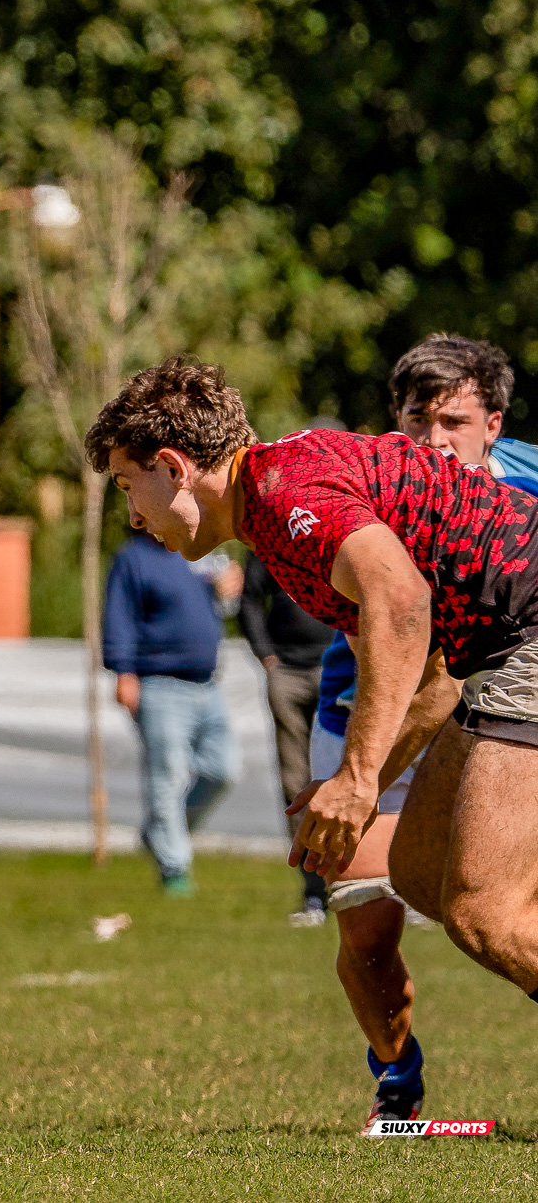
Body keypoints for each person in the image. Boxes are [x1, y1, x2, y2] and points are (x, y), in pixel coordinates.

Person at [87, 353, 538, 1128]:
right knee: (421, 872)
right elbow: (432, 670)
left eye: (130, 488)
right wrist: (354, 791)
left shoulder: (283, 495)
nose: (135, 517)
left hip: (526, 631)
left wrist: (359, 779)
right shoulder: (278, 499)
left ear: (173, 467)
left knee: (483, 913)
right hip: (495, 648)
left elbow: (402, 603)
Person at [304, 335, 538, 1129]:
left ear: (493, 424)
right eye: (416, 419)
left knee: (490, 913)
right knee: (369, 928)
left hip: (501, 705)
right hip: (367, 714)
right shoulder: (366, 478)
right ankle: (397, 1079)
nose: (433, 440)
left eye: (453, 421)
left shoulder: (529, 487)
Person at [238, 424, 343, 924]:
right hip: (289, 673)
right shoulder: (270, 526)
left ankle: (378, 886)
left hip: (342, 670)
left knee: (360, 774)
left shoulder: (345, 520)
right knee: (296, 783)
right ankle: (313, 893)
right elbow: (248, 601)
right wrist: (266, 655)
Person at [102, 530, 241, 896]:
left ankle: (158, 833)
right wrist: (123, 672)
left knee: (224, 769)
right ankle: (174, 867)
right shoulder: (134, 558)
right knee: (167, 776)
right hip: (159, 683)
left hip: (207, 684)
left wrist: (228, 592)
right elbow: (119, 615)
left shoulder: (196, 554)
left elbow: (219, 606)